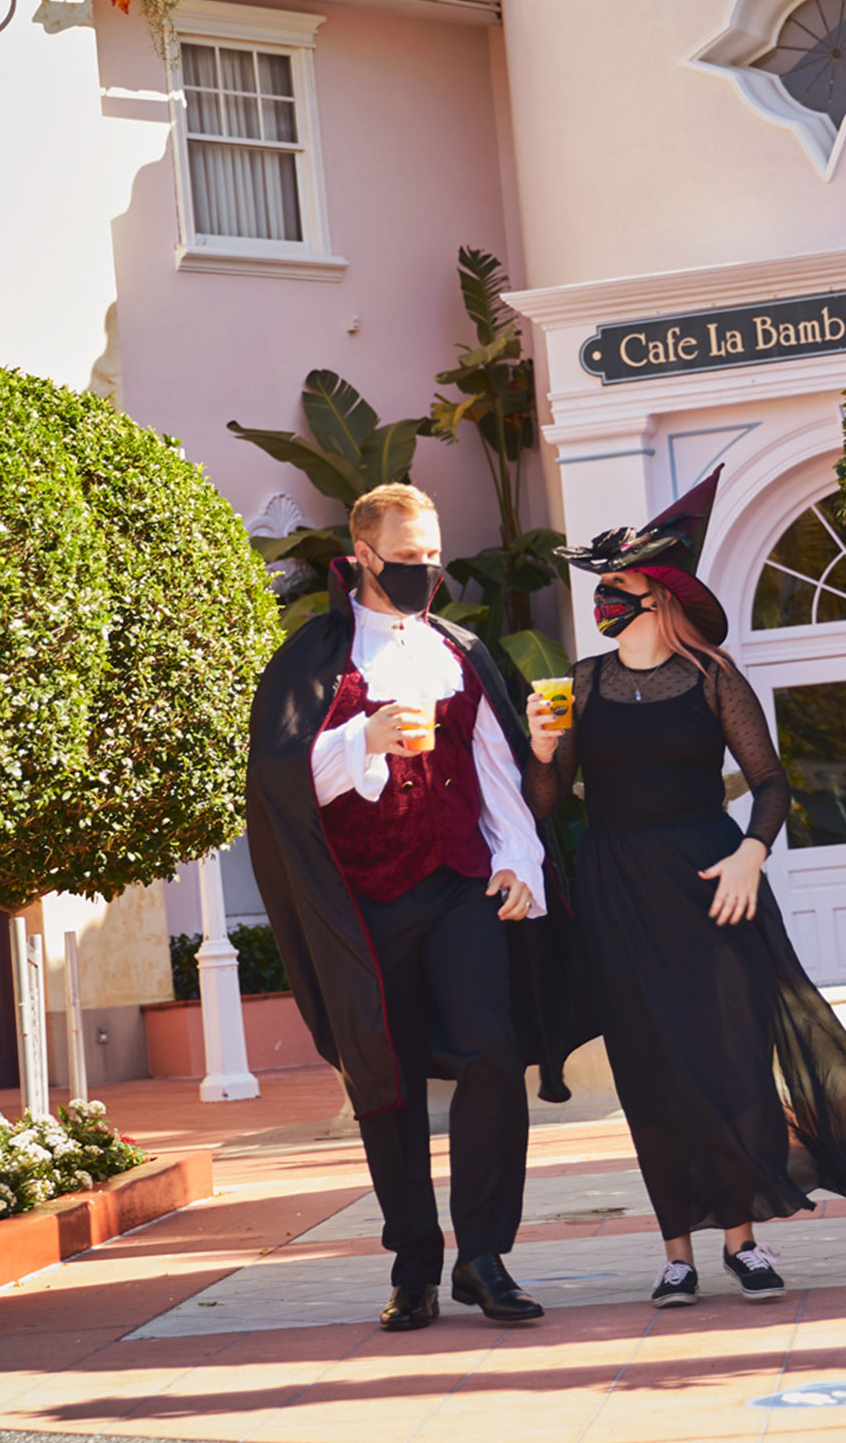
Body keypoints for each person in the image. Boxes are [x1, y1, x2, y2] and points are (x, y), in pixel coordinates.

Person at [524, 469, 846, 1307]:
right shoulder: (583, 684)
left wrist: (751, 854)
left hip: (713, 881)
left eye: (618, 586)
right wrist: (538, 747)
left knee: (733, 1055)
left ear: (659, 595)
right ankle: (676, 1255)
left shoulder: (712, 676)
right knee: (650, 1069)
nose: (604, 598)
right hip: (618, 891)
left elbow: (773, 783)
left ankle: (743, 1242)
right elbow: (549, 805)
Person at [245, 482, 564, 1332]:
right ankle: (414, 1265)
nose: (429, 571)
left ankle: (486, 1257)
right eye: (411, 559)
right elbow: (279, 785)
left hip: (462, 883)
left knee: (493, 1058)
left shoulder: (459, 650)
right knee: (382, 1082)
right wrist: (361, 741)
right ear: (364, 559)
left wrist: (519, 860)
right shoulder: (315, 656)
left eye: (435, 556)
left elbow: (496, 767)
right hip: (363, 903)